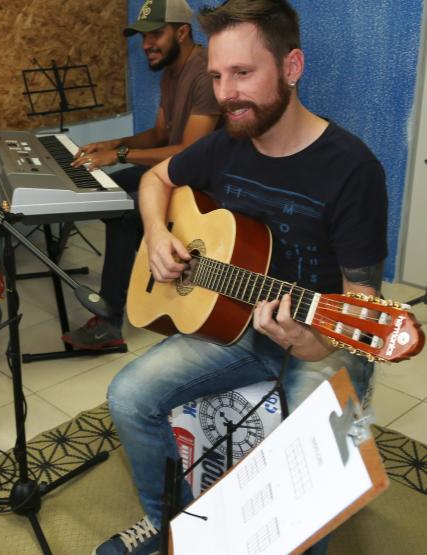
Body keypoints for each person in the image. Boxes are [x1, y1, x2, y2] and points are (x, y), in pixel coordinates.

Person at [95, 1, 388, 553]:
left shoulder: (353, 169)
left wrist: (311, 339)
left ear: (292, 67)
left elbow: (364, 310)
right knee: (128, 395)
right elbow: (156, 179)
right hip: (237, 326)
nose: (226, 92)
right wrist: (157, 235)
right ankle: (173, 528)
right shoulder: (227, 143)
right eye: (216, 76)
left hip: (320, 335)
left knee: (313, 462)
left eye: (243, 73)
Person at [62, 0, 220, 351]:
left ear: (182, 31)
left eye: (155, 34)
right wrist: (114, 141)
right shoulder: (171, 72)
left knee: (124, 209)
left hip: (204, 182)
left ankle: (109, 321)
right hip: (177, 172)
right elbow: (161, 134)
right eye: (142, 36)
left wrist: (119, 154)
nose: (147, 44)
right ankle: (140, 271)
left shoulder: (205, 71)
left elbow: (191, 152)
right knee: (113, 191)